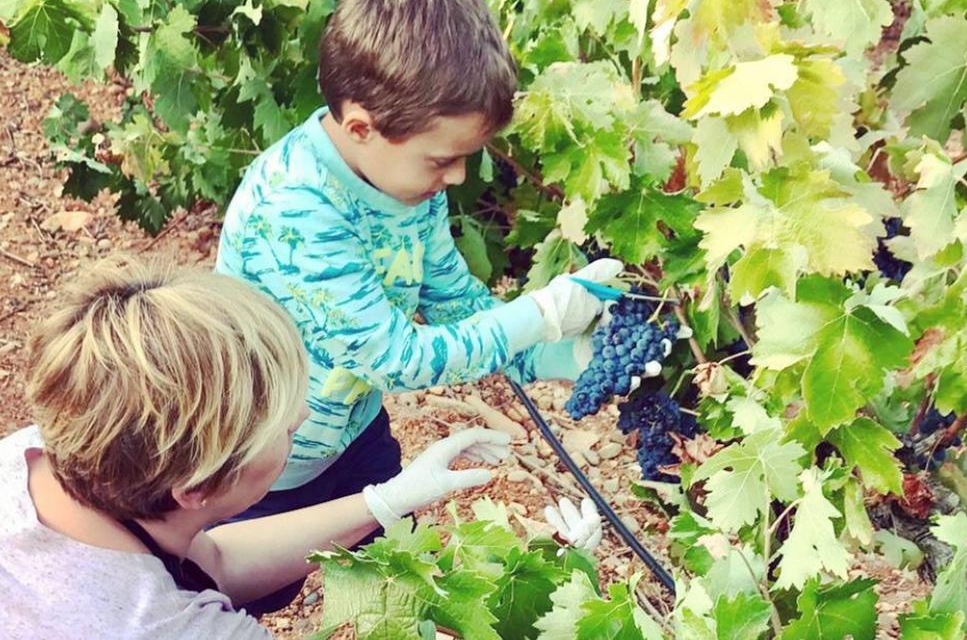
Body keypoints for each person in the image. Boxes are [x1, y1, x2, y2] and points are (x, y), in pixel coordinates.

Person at [214, 0, 653, 611]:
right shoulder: (295, 210)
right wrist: (543, 312)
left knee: (395, 587)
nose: (456, 177)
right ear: (362, 126)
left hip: (351, 432)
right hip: (256, 471)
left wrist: (568, 356)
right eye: (442, 158)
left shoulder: (403, 183)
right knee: (238, 604)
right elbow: (397, 359)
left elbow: (458, 305)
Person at [0, 259, 597, 639]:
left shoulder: (40, 451)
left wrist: (385, 502)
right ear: (198, 489)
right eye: (284, 430)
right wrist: (567, 592)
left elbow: (215, 563)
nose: (305, 415)